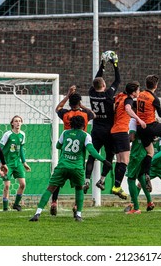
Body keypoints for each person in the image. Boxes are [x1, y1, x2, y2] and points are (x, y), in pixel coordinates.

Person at [29, 115, 111, 222]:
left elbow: (58, 146)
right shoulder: (85, 135)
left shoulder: (65, 133)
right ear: (83, 125)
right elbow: (91, 150)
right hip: (77, 168)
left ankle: (37, 213)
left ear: (71, 124)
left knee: (50, 188)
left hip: (62, 166)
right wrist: (104, 160)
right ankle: (78, 215)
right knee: (79, 189)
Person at [50, 86, 95, 216]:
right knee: (78, 181)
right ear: (79, 102)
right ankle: (76, 205)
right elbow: (93, 114)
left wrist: (67, 95)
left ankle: (54, 201)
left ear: (70, 103)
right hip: (80, 148)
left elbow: (57, 108)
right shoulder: (85, 114)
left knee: (58, 177)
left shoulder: (65, 114)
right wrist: (82, 106)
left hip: (66, 148)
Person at [84, 51, 120, 194]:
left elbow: (97, 79)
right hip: (109, 130)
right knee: (109, 156)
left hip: (96, 130)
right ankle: (102, 180)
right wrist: (115, 65)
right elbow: (117, 81)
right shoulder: (108, 94)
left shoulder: (91, 93)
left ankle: (87, 180)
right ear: (104, 85)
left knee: (92, 156)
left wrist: (102, 65)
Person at [110, 81, 146, 200]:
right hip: (121, 130)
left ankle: (116, 186)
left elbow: (115, 101)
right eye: (138, 90)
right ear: (133, 92)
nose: (139, 92)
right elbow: (128, 108)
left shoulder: (120, 96)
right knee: (125, 160)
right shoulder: (128, 100)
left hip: (114, 131)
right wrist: (138, 119)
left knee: (120, 160)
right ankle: (117, 186)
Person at [0, 115, 31, 212]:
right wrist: (2, 162)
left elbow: (21, 149)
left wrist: (24, 162)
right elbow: (0, 149)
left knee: (23, 184)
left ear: (21, 123)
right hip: (7, 163)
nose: (18, 123)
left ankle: (16, 204)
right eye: (16, 121)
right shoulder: (7, 134)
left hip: (17, 163)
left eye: (19, 121)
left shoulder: (22, 134)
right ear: (12, 123)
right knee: (7, 186)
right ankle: (5, 208)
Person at [124, 118, 154, 214]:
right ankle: (149, 202)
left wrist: (123, 138)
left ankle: (136, 207)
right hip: (144, 153)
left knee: (130, 179)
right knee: (141, 177)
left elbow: (131, 137)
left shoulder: (133, 121)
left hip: (136, 155)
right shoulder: (146, 121)